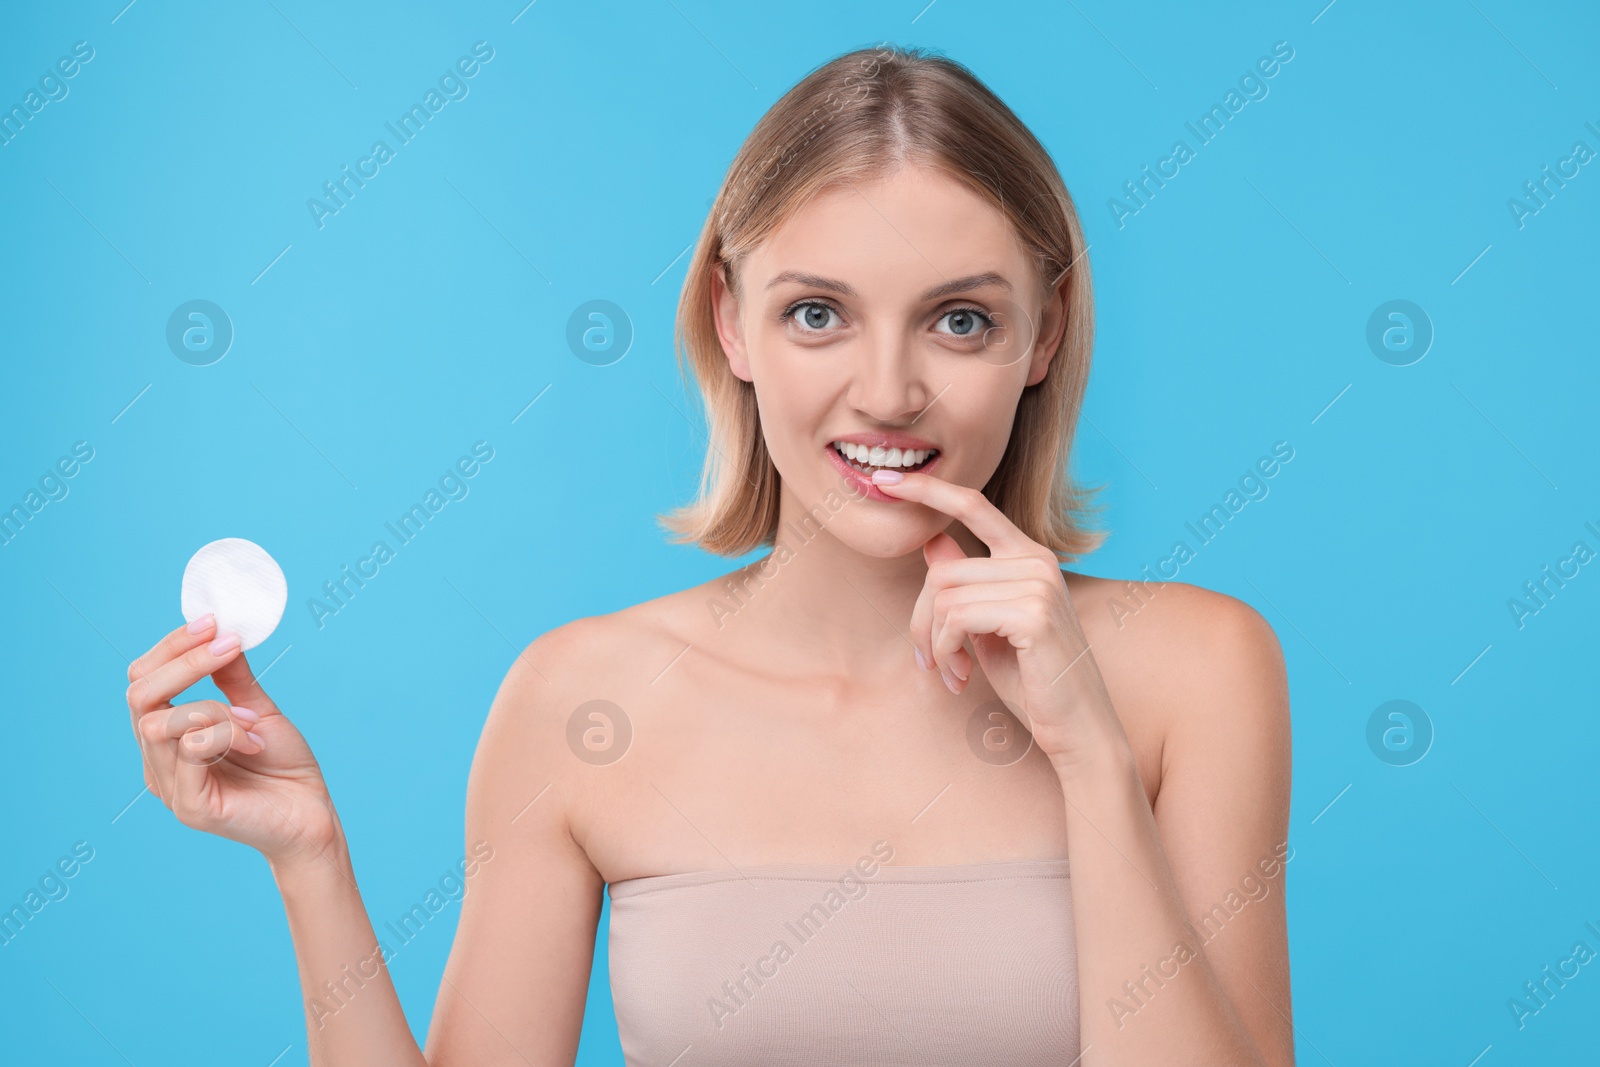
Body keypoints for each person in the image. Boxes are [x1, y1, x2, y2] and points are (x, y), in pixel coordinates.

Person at [124, 44, 1292, 1066]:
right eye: (818, 313)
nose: (887, 392)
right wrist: (310, 861)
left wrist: (1087, 754)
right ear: (731, 321)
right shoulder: (578, 699)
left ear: (1044, 331)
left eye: (961, 319)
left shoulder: (1195, 673)